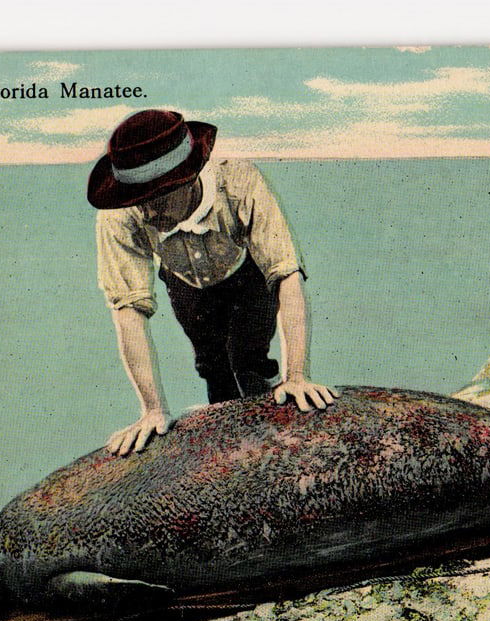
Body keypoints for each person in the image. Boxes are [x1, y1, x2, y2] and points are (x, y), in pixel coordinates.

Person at [87, 109, 338, 456]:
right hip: (185, 283)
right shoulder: (120, 214)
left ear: (188, 178)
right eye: (139, 200)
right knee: (212, 368)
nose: (148, 212)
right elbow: (128, 310)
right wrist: (152, 410)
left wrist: (297, 375)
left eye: (158, 197)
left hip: (246, 276)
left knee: (248, 363)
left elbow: (286, 273)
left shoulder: (238, 182)